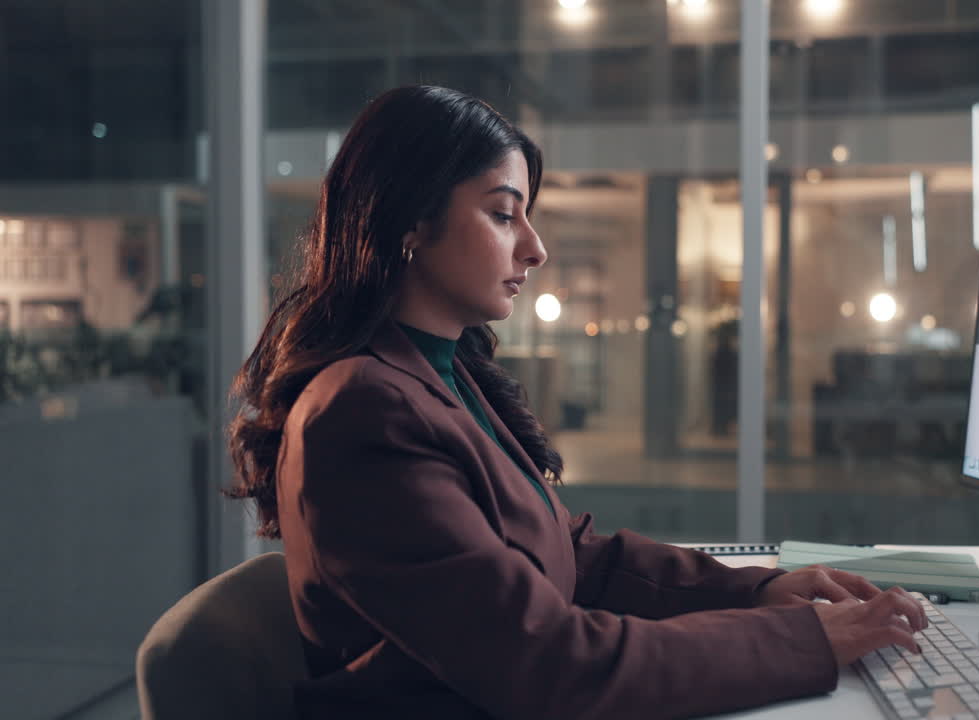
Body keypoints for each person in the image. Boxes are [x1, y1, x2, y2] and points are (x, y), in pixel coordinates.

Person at [226, 85, 926, 720]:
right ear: (409, 222)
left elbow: (572, 555)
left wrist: (754, 592)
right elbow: (546, 661)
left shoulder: (444, 375)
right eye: (504, 215)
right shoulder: (363, 411)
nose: (535, 248)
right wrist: (798, 641)